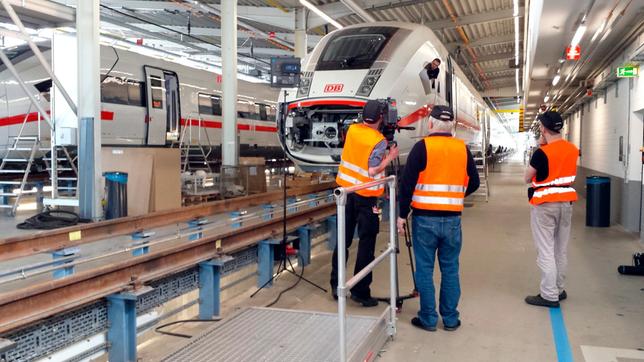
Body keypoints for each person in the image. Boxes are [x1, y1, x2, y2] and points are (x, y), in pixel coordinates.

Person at [397, 105, 479, 331]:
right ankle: (451, 319)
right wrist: (454, 195)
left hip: (424, 220)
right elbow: (474, 182)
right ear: (452, 127)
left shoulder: (421, 147)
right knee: (450, 269)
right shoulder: (462, 149)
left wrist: (402, 216)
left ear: (430, 124)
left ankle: (429, 318)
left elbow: (406, 186)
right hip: (452, 220)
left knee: (424, 269)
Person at [331, 99, 399, 307]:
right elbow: (372, 171)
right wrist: (390, 156)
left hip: (345, 194)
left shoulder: (352, 130)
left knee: (343, 240)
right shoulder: (378, 141)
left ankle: (336, 285)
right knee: (366, 243)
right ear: (381, 118)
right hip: (366, 196)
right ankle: (360, 291)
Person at [524, 111, 579, 308]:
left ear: (544, 129)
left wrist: (541, 147)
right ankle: (559, 288)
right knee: (560, 249)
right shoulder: (573, 149)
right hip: (566, 203)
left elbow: (527, 177)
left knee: (545, 250)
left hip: (545, 205)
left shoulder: (542, 152)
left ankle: (548, 295)